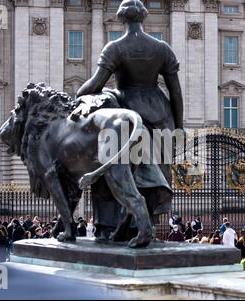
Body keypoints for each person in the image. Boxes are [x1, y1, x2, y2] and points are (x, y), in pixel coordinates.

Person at [74, 0, 183, 241]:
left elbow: (95, 85)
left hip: (127, 113)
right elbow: (176, 93)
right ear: (143, 17)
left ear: (122, 18)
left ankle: (111, 228)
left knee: (114, 172)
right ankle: (145, 227)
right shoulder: (162, 48)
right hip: (161, 116)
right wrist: (179, 126)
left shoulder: (115, 48)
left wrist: (77, 98)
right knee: (151, 179)